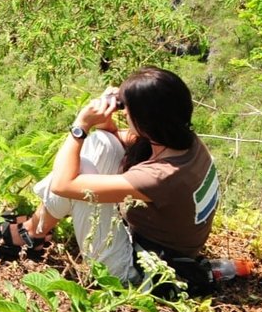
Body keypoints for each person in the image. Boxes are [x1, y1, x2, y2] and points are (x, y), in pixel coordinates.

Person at [22, 67, 223, 287]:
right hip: (159, 247)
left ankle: (30, 234)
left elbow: (63, 184)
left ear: (147, 121)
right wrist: (112, 109)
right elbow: (112, 138)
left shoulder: (161, 175)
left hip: (141, 271)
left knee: (82, 176)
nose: (124, 113)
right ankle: (34, 231)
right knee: (103, 144)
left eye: (127, 110)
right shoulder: (181, 140)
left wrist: (80, 126)